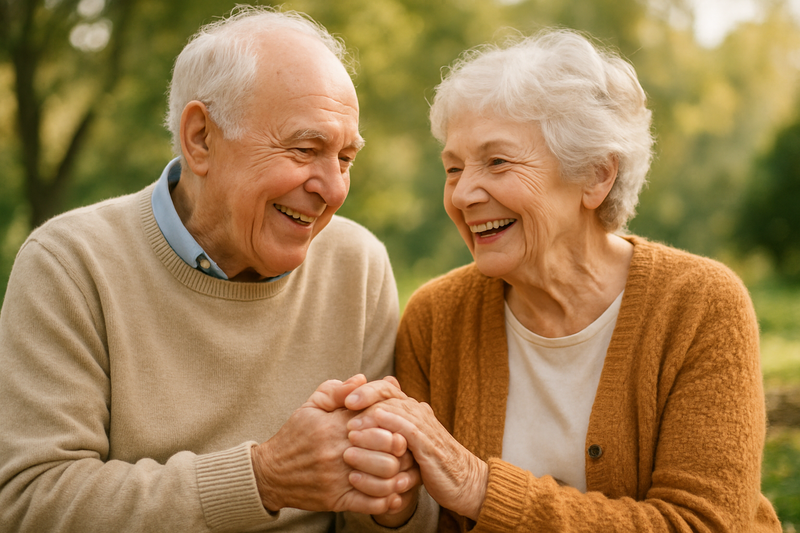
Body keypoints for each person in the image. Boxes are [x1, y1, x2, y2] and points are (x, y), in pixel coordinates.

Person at [0, 7, 436, 532]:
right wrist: (263, 479)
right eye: (305, 149)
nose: (335, 189)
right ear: (201, 139)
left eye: (345, 158)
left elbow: (381, 520)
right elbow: (31, 504)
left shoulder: (358, 264)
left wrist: (394, 501)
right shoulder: (70, 263)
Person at [344, 29, 782, 531]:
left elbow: (704, 524)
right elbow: (422, 513)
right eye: (453, 168)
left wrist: (480, 487)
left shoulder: (700, 305)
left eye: (498, 162)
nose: (463, 193)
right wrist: (395, 498)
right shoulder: (436, 318)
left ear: (596, 175)